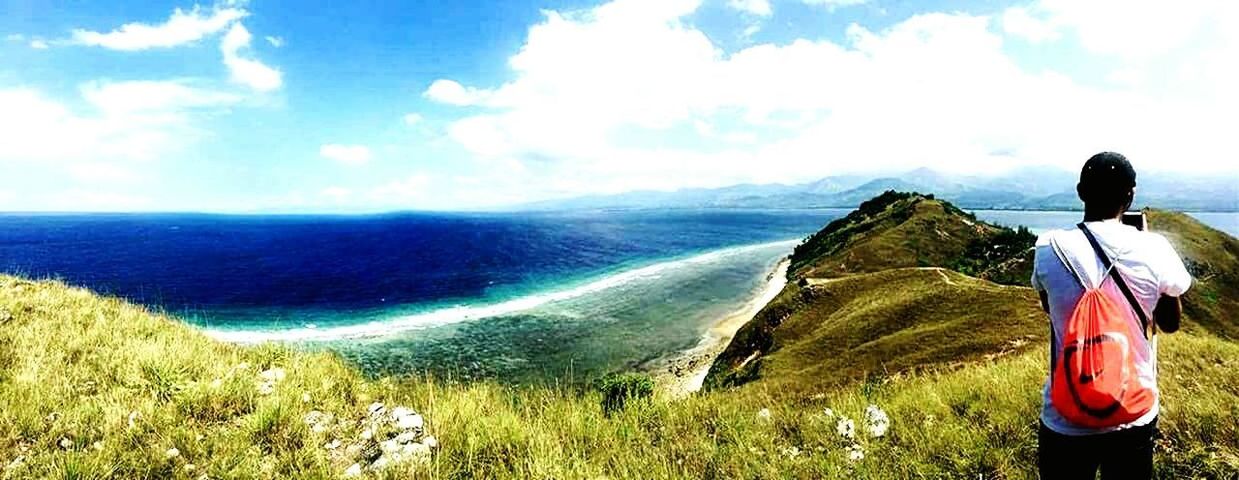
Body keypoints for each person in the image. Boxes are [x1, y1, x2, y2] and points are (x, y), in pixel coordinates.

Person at [1030, 152, 1192, 479]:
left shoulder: (1048, 247)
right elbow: (1170, 324)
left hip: (1066, 416)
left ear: (1080, 191)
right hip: (1132, 413)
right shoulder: (1155, 247)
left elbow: (1051, 309)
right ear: (1130, 195)